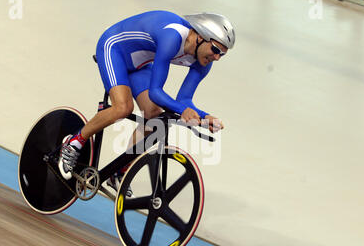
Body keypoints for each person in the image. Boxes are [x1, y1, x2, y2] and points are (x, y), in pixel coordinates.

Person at [58, 10, 236, 194]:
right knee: (123, 108)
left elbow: (184, 100)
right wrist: (183, 110)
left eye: (222, 54)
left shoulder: (204, 61)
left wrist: (205, 117)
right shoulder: (172, 37)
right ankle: (73, 142)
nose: (216, 57)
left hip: (140, 63)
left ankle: (119, 172)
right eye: (215, 49)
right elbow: (156, 92)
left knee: (155, 118)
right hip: (114, 48)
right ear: (200, 36)